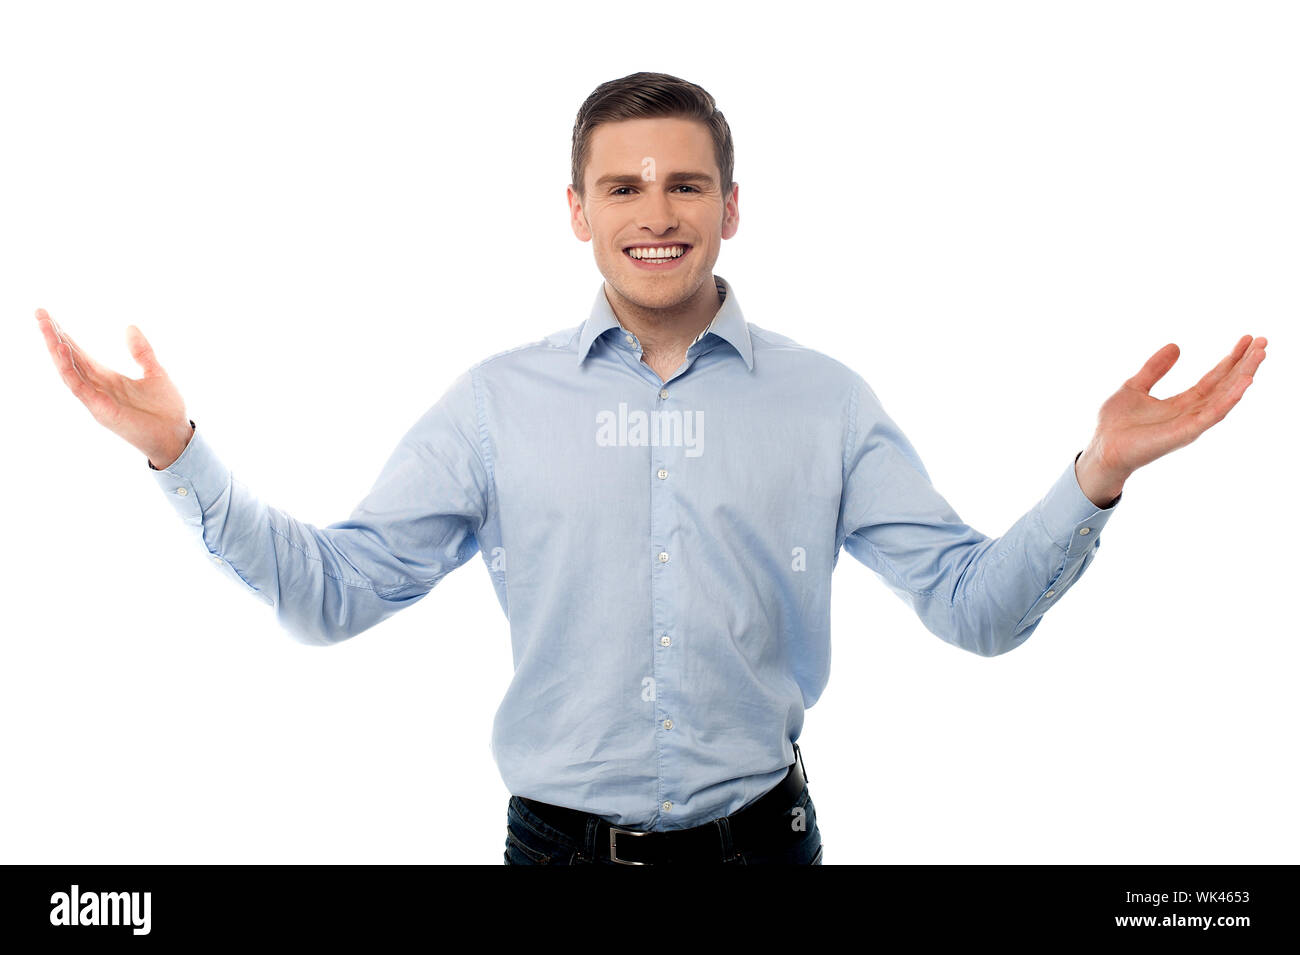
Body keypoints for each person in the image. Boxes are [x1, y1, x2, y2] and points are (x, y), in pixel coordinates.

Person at [34, 72, 1268, 866]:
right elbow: (331, 595)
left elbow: (974, 612)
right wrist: (177, 453)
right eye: (622, 185)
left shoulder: (825, 401)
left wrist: (1097, 471)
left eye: (684, 182)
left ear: (732, 205)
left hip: (762, 847)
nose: (654, 210)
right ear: (576, 209)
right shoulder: (494, 405)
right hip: (556, 853)